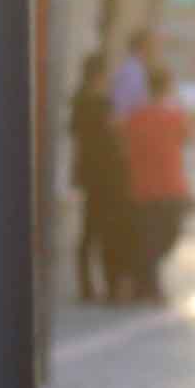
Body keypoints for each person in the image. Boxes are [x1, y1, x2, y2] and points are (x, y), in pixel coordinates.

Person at [118, 56, 195, 305]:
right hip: (160, 186)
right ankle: (150, 287)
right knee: (160, 238)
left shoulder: (140, 116)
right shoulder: (167, 115)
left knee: (158, 238)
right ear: (167, 87)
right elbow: (187, 138)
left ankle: (145, 281)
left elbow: (123, 143)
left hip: (153, 185)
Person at [66, 44, 136, 305]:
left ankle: (86, 284)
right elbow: (113, 140)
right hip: (107, 176)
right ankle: (108, 284)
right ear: (99, 75)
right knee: (106, 229)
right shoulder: (101, 104)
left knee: (88, 230)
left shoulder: (79, 102)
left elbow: (78, 141)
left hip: (89, 173)